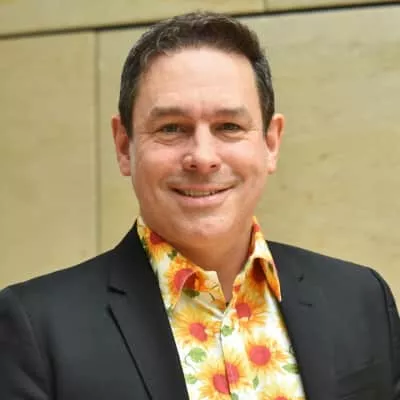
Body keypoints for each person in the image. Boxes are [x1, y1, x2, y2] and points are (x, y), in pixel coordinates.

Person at [0, 11, 399, 400]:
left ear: (271, 142)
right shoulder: (36, 330)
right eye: (171, 128)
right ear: (124, 146)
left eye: (229, 127)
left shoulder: (360, 300)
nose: (203, 158)